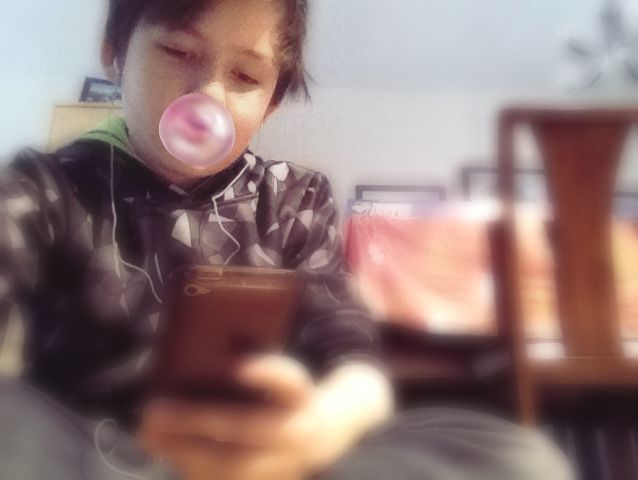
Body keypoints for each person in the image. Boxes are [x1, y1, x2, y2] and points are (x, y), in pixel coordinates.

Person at [0, 1, 573, 479]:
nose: (208, 95)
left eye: (246, 77)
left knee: (511, 455)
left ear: (271, 104)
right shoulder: (46, 186)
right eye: (178, 51)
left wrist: (323, 425)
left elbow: (350, 346)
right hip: (91, 451)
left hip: (261, 452)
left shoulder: (295, 196)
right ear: (116, 53)